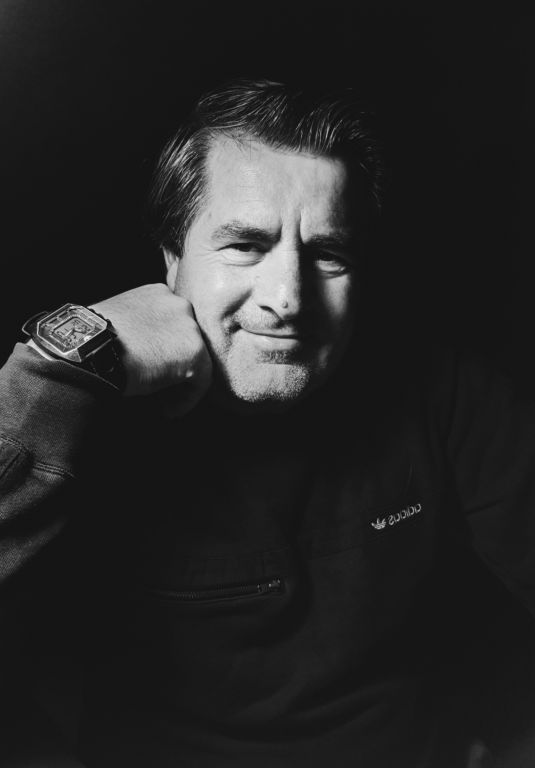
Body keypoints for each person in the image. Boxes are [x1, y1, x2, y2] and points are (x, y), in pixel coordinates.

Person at [1, 78, 535, 768]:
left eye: (327, 255)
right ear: (172, 261)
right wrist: (64, 363)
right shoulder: (90, 417)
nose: (288, 299)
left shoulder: (443, 391)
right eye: (246, 246)